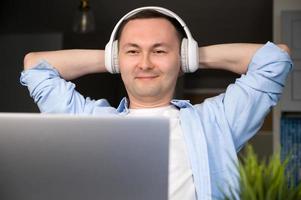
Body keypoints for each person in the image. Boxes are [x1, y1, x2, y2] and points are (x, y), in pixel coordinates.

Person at [20, 6, 292, 200]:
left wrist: (193, 55)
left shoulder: (216, 122)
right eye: (133, 51)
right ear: (116, 60)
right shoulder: (90, 122)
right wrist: (113, 58)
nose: (146, 63)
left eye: (159, 50)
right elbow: (35, 67)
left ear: (183, 58)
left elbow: (275, 60)